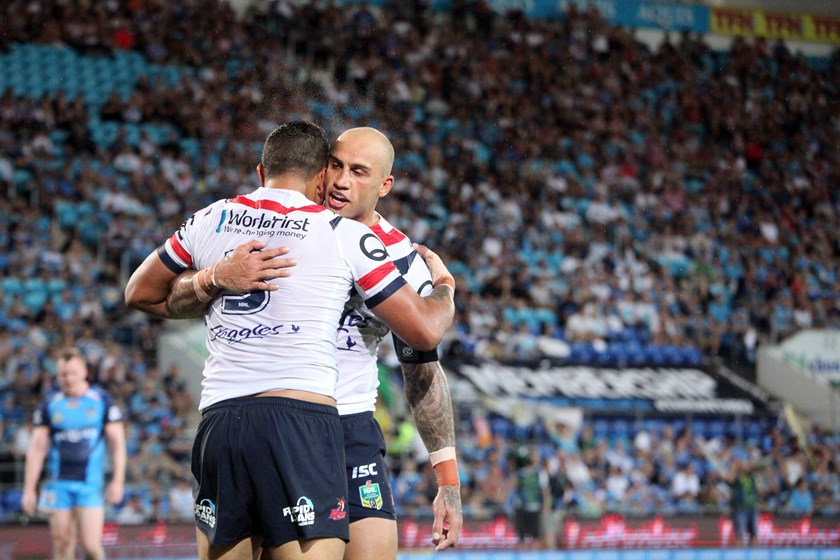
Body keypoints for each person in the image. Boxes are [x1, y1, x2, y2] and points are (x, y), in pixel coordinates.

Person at [124, 121, 456, 560]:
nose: (341, 180)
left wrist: (447, 479)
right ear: (318, 170)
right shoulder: (305, 229)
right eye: (335, 165)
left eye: (358, 172)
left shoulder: (399, 256)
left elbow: (422, 370)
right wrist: (214, 279)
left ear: (384, 185)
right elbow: (153, 294)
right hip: (291, 420)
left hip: (347, 428)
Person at [20, 347, 126, 560]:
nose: (68, 378)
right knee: (62, 545)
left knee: (90, 547)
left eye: (73, 372)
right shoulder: (50, 404)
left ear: (84, 372)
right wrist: (29, 489)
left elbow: (118, 444)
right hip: (58, 484)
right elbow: (37, 449)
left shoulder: (102, 400)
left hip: (90, 484)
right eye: (63, 374)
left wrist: (117, 481)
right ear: (58, 375)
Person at [728, 457, 759, 547]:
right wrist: (734, 466)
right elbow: (729, 479)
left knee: (754, 535)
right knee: (739, 535)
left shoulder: (751, 477)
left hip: (752, 507)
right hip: (740, 508)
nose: (747, 465)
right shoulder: (737, 477)